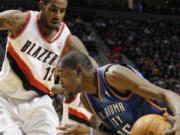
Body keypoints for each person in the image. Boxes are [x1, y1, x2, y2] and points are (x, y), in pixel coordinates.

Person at [0, 0, 98, 134]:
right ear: (42, 6)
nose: (57, 15)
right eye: (53, 9)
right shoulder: (20, 21)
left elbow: (94, 71)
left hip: (40, 103)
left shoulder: (68, 42)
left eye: (62, 11)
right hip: (5, 97)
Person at [54, 50, 180, 135]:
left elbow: (166, 93)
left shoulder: (113, 76)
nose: (60, 82)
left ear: (78, 70)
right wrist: (88, 131)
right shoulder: (87, 101)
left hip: (168, 126)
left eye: (63, 75)